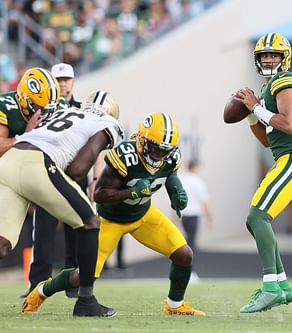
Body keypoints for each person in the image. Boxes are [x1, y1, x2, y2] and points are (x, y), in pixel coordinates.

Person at [22, 112, 206, 316]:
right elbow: (99, 195)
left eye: (164, 151)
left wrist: (176, 192)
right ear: (142, 140)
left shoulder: (170, 157)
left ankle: (174, 305)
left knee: (184, 254)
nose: (158, 156)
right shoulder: (125, 156)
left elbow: (169, 174)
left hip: (143, 215)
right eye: (154, 148)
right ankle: (42, 290)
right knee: (85, 275)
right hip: (110, 220)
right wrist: (132, 192)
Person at [2, 89, 124, 317]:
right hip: (37, 163)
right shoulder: (108, 123)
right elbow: (78, 167)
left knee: (2, 243)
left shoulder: (66, 111)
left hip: (10, 159)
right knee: (89, 221)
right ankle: (86, 301)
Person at [234, 32, 292, 313]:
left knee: (258, 216)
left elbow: (287, 124)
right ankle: (283, 286)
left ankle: (271, 287)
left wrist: (256, 107)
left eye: (274, 55)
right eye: (264, 56)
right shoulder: (268, 88)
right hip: (287, 158)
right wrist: (250, 114)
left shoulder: (285, 80)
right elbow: (268, 139)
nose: (269, 60)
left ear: (285, 58)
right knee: (256, 220)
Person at [24, 63, 84, 299]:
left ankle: (73, 282)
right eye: (58, 80)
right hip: (49, 171)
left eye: (66, 79)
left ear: (73, 82)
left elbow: (94, 147)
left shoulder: (84, 108)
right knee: (43, 230)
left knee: (78, 228)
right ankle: (37, 285)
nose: (62, 83)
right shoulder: (43, 108)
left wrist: (96, 177)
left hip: (76, 172)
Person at [180, 159, 213, 281]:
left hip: (183, 215)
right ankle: (190, 271)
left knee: (185, 241)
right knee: (192, 243)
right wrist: (209, 217)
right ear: (195, 167)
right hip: (193, 215)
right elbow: (204, 201)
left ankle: (182, 269)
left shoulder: (182, 180)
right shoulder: (198, 181)